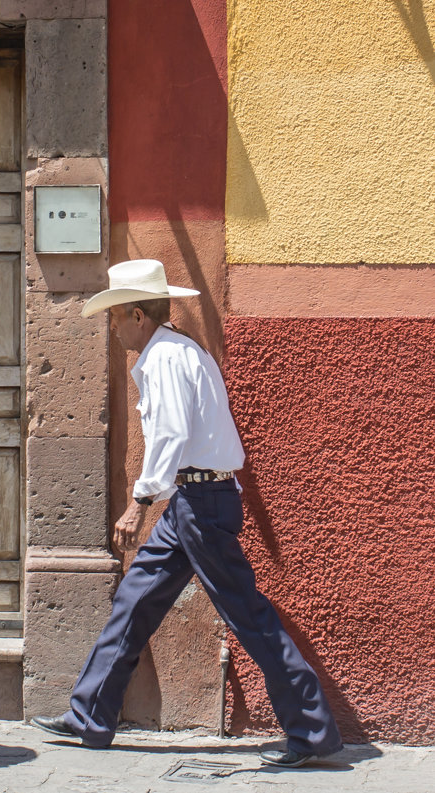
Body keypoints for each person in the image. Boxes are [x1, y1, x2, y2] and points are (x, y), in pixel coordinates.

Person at [31, 259, 342, 769]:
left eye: (114, 316)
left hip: (199, 504)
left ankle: (310, 732)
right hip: (191, 504)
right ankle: (89, 716)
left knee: (247, 615)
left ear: (136, 314)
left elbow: (171, 437)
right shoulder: (171, 350)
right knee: (135, 601)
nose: (111, 327)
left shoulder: (166, 358)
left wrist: (138, 503)